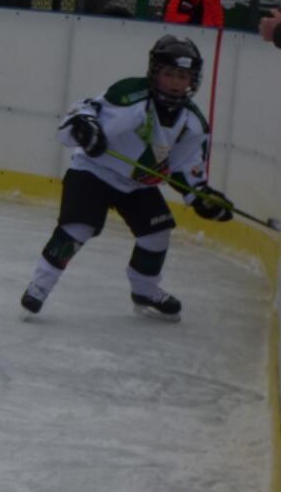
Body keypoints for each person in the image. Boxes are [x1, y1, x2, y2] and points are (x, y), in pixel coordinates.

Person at [20, 34, 233, 322]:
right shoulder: (131, 95)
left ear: (193, 80)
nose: (175, 83)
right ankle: (39, 286)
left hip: (136, 184)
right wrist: (86, 128)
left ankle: (145, 290)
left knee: (157, 234)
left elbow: (185, 168)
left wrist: (201, 197)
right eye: (169, 74)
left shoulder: (193, 122)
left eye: (183, 76)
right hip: (94, 171)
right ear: (154, 72)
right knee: (78, 228)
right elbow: (85, 110)